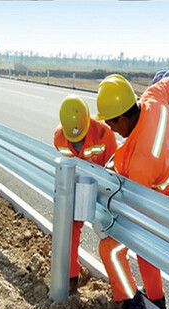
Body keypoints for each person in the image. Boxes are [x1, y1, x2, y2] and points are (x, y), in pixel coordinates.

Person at [96, 71, 169, 309]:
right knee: (147, 249)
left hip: (153, 198)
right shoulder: (153, 97)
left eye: (112, 123)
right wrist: (162, 78)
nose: (110, 128)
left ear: (123, 116)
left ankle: (132, 303)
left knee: (110, 249)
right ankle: (157, 300)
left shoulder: (140, 161)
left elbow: (131, 211)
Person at [54, 95, 117, 293]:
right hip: (76, 190)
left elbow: (115, 172)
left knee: (110, 237)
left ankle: (121, 292)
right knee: (69, 230)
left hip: (101, 193)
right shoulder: (59, 137)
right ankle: (71, 279)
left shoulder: (103, 134)